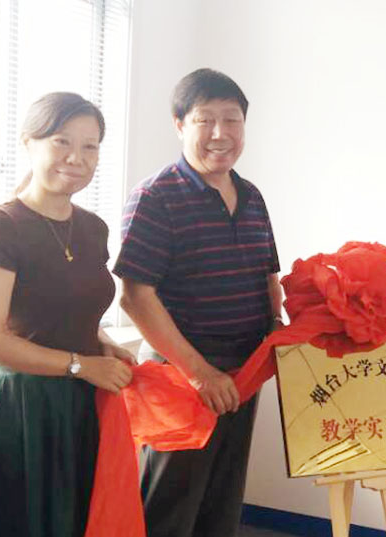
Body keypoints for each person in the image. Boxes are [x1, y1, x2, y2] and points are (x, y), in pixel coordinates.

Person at [0, 92, 135, 537]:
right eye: (61, 141)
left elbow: (69, 309)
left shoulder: (92, 228)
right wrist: (82, 365)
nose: (76, 157)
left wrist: (104, 345)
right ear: (28, 143)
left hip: (81, 405)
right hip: (20, 408)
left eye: (89, 146)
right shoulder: (0, 225)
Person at [114, 68, 283, 537]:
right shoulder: (156, 196)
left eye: (232, 120)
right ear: (179, 124)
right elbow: (135, 297)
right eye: (205, 119)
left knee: (221, 503)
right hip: (181, 377)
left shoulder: (251, 196)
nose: (219, 133)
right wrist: (199, 373)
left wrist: (276, 325)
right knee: (170, 509)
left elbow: (268, 275)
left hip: (243, 373)